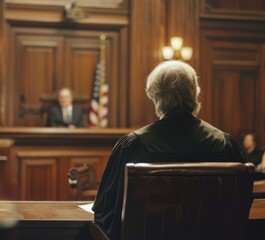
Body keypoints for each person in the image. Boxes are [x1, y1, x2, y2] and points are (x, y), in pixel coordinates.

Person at [92, 60, 248, 240]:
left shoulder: (133, 146)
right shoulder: (225, 144)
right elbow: (240, 206)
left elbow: (105, 211)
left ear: (154, 95)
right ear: (194, 93)